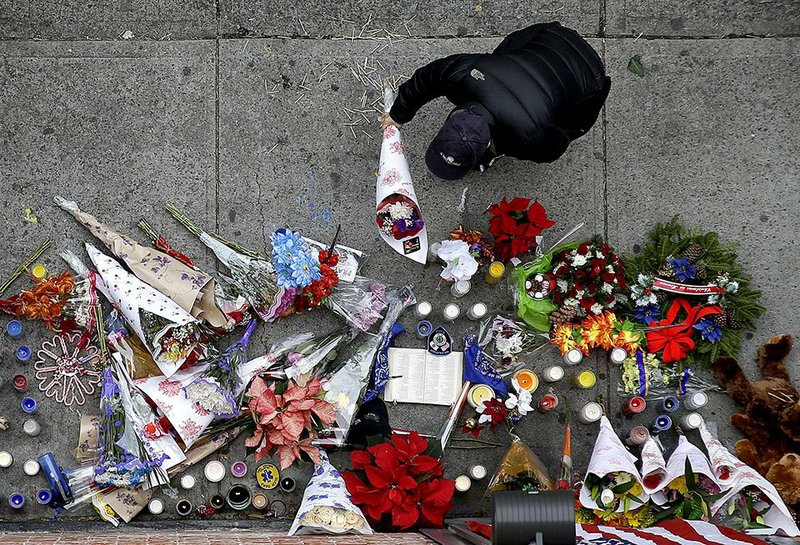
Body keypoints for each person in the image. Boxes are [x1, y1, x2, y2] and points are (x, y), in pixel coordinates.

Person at [381, 22, 610, 180]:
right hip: (549, 37)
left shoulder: (530, 139)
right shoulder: (467, 72)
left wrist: (511, 145)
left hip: (590, 76)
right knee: (501, 58)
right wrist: (398, 114)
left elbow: (557, 145)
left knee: (573, 120)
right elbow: (426, 79)